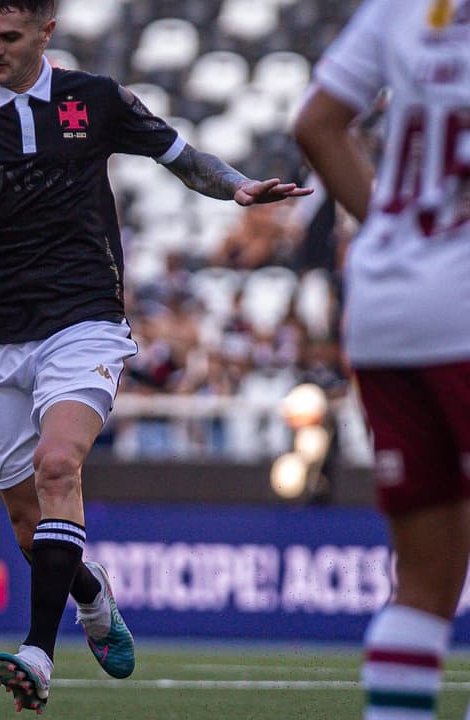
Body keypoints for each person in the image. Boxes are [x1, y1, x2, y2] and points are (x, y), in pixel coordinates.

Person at [0, 0, 311, 712]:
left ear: (45, 33)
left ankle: (38, 654)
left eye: (9, 37)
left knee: (60, 465)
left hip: (81, 319)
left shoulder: (96, 99)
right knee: (32, 529)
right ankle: (88, 589)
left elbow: (183, 158)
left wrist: (237, 187)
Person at [293, 2, 470, 717]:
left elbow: (315, 124)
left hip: (388, 301)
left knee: (425, 585)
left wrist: (396, 231)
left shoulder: (404, 6)